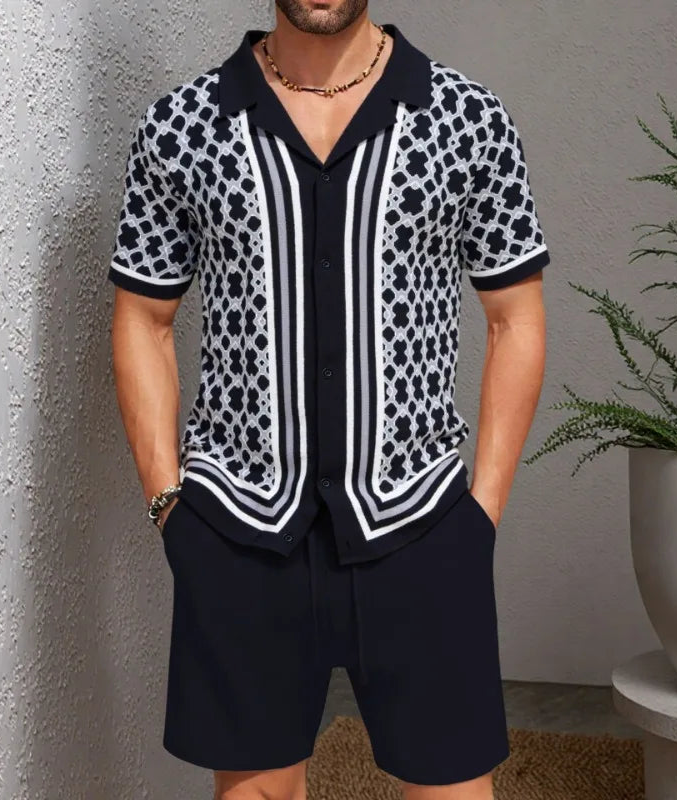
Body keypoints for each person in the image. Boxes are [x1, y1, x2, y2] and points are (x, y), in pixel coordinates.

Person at [107, 1, 549, 798]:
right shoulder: (183, 125)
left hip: (420, 522)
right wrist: (170, 506)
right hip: (242, 529)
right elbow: (144, 317)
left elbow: (514, 319)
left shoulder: (467, 120)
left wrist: (479, 513)